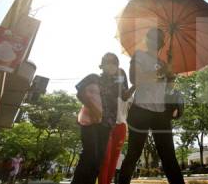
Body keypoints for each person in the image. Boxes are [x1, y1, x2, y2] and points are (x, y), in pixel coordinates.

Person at [119, 28, 184, 184]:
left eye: (159, 39)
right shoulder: (139, 55)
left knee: (169, 156)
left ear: (161, 44)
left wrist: (170, 74)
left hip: (161, 114)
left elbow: (168, 89)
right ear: (147, 40)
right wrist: (161, 71)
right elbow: (135, 78)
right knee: (134, 154)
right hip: (140, 110)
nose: (155, 41)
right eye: (152, 37)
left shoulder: (163, 63)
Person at [71, 53, 128, 184]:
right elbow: (79, 93)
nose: (111, 65)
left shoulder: (116, 85)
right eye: (108, 62)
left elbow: (125, 96)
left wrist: (137, 84)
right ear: (102, 65)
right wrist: (93, 108)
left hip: (107, 124)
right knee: (90, 154)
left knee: (98, 160)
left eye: (114, 62)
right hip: (90, 121)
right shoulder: (93, 77)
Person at [98, 69, 134, 184]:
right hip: (107, 126)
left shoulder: (129, 97)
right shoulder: (106, 90)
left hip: (121, 128)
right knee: (105, 158)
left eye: (121, 76)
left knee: (114, 160)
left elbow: (132, 114)